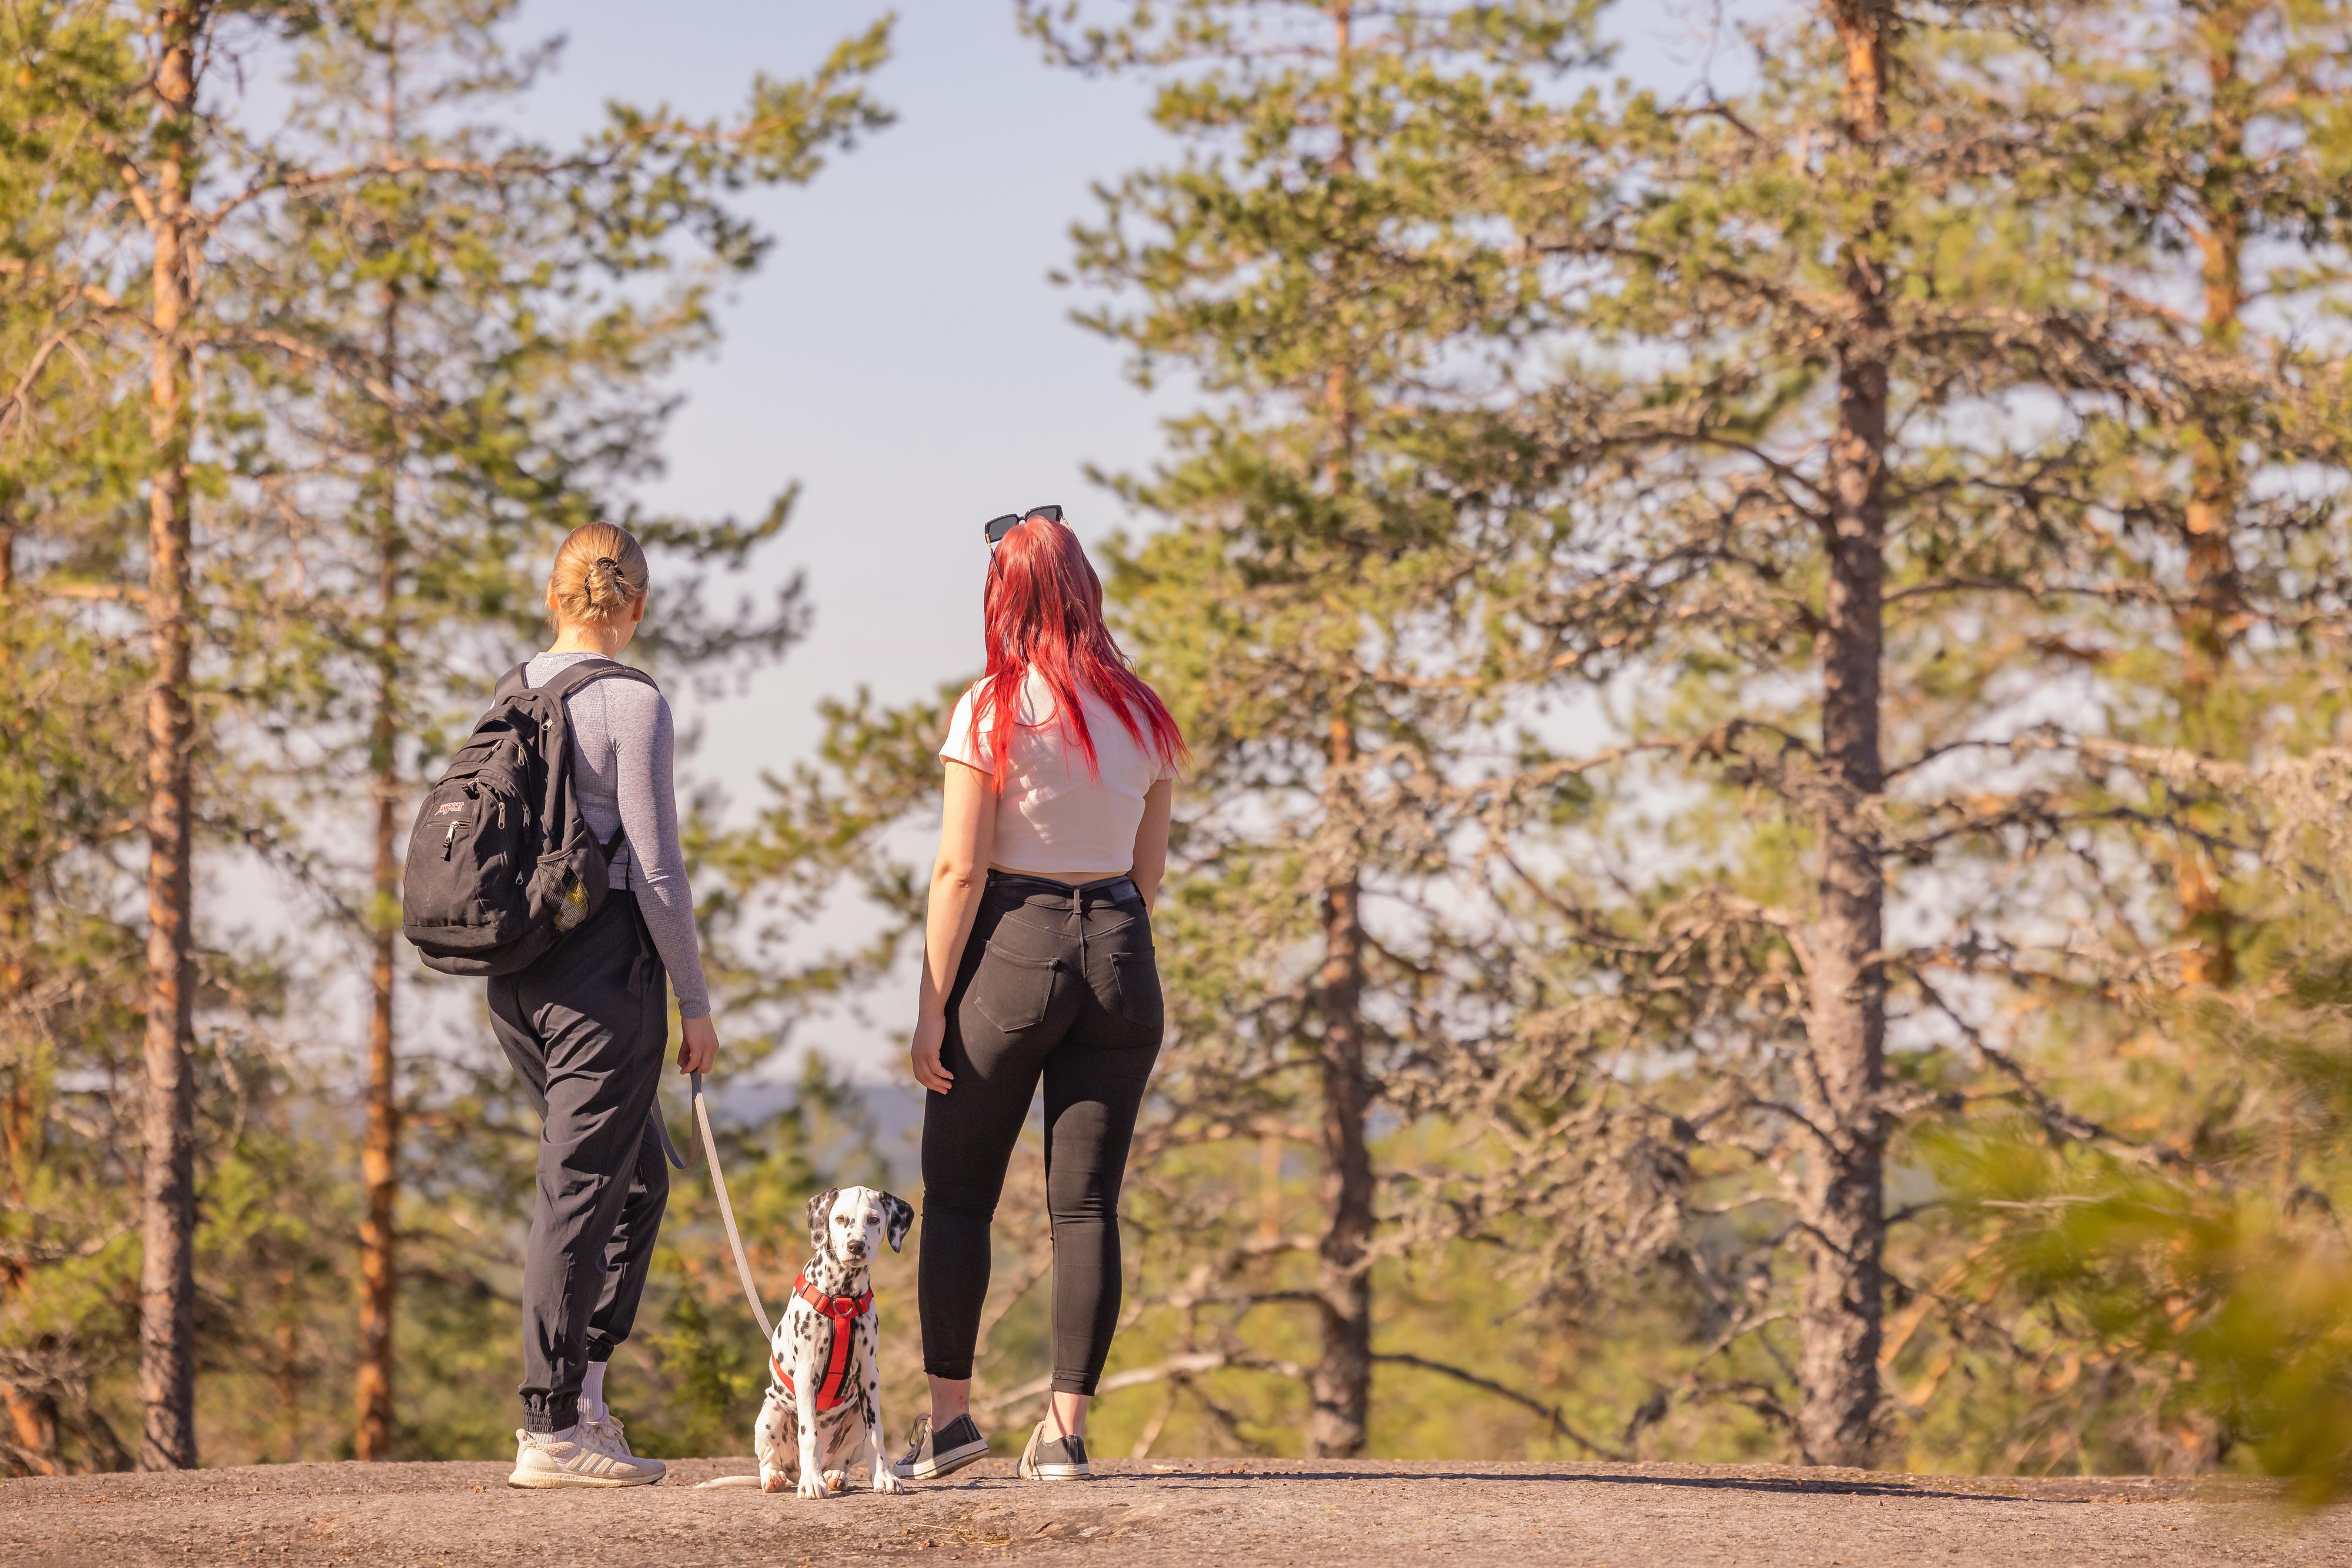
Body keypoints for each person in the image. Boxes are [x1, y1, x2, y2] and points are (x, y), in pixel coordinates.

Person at [893, 506, 1187, 1484]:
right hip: (1119, 950)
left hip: (1013, 950)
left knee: (961, 1197)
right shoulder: (1146, 713)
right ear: (1087, 589)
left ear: (1003, 596)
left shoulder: (991, 707)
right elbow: (1148, 876)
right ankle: (1065, 1434)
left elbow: (959, 873)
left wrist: (933, 1007)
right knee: (1088, 1205)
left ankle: (949, 1428)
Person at [495, 523, 721, 1488]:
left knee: (632, 1185)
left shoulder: (516, 688)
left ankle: (582, 1402)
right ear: (637, 608)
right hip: (601, 974)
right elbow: (657, 869)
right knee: (585, 1188)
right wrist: (697, 1004)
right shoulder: (632, 702)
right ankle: (551, 1430)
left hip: (517, 974)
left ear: (554, 599)